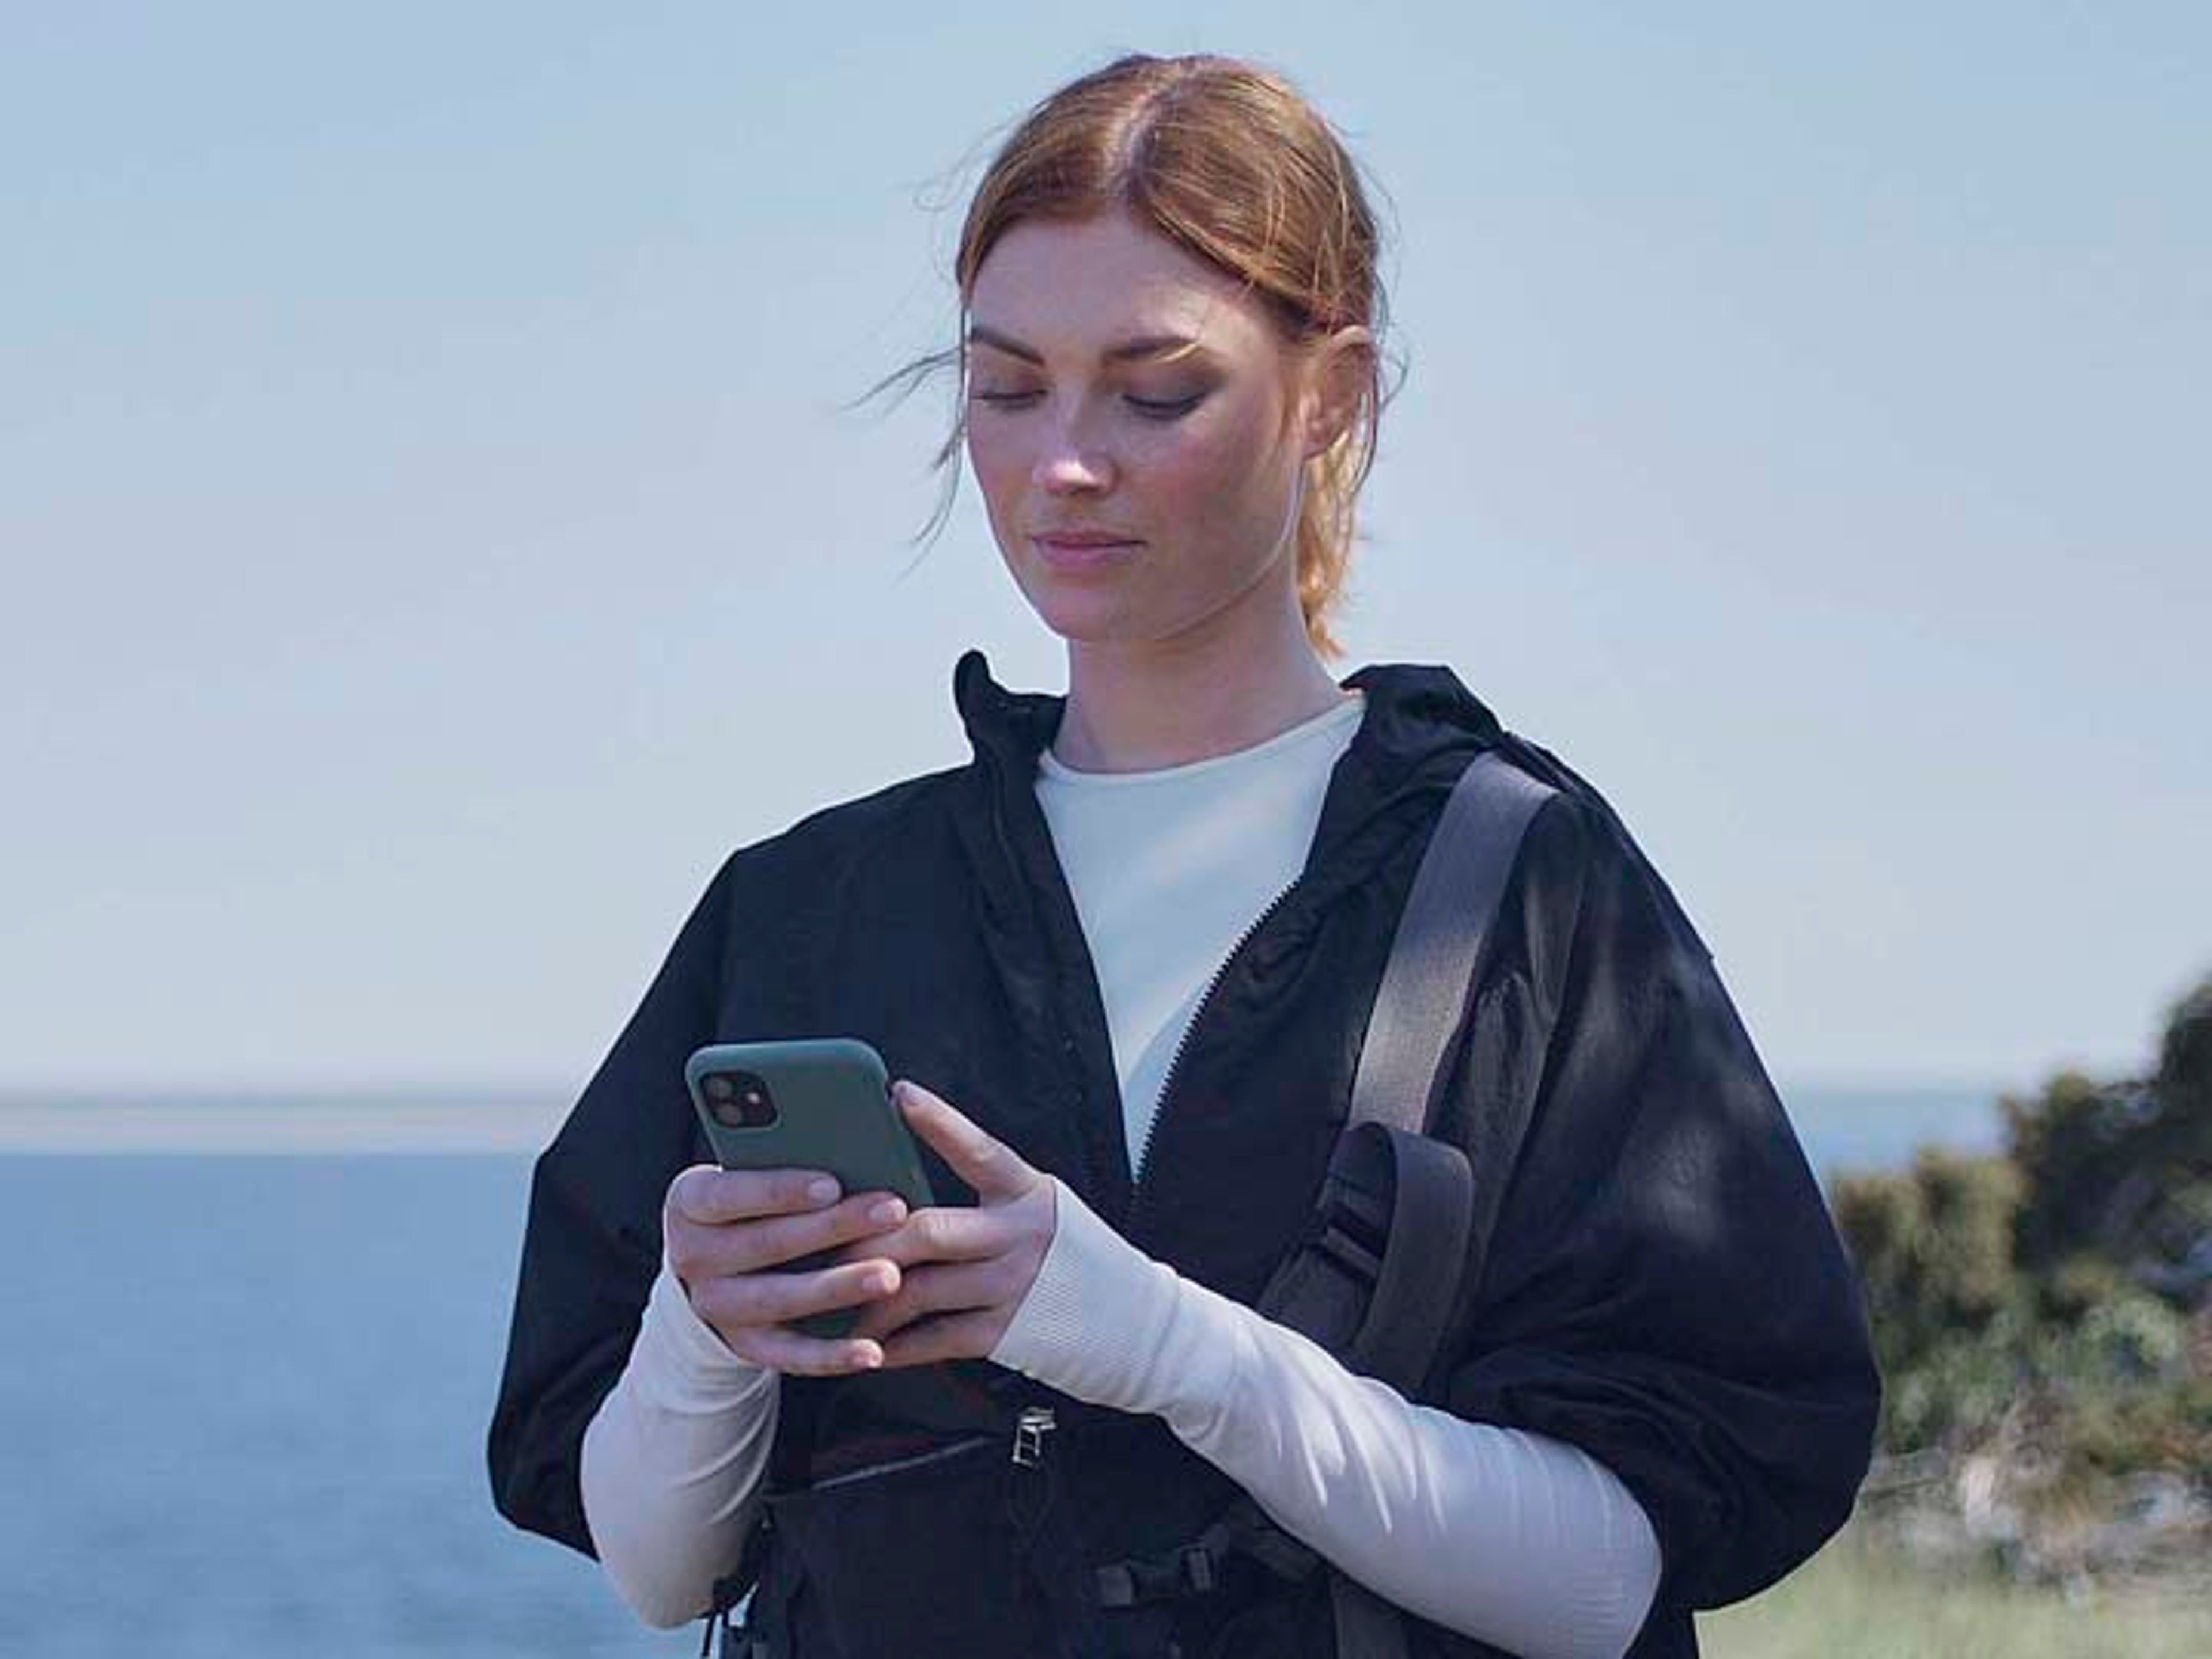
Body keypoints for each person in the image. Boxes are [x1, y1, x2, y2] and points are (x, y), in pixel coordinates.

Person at [487, 50, 1881, 1659]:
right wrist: (704, 1323)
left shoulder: (1521, 888)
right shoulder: (809, 906)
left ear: (1332, 395)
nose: (1064, 463)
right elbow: (663, 1573)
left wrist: (1156, 1343)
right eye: (1006, 388)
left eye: (1156, 393)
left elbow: (1612, 1583)